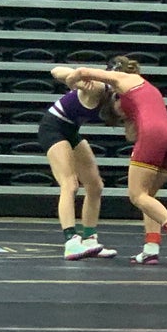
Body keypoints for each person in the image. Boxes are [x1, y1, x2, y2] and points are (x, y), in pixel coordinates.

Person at [64, 56, 167, 266]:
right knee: (149, 196)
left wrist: (72, 86)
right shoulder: (144, 88)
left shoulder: (120, 79)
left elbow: (81, 72)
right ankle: (151, 249)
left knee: (137, 195)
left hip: (153, 134)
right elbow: (131, 133)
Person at [44, 63, 124, 260]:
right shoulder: (98, 86)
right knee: (69, 184)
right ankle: (71, 242)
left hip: (71, 131)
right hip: (53, 127)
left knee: (95, 185)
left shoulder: (123, 95)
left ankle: (89, 240)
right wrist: (74, 80)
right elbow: (55, 71)